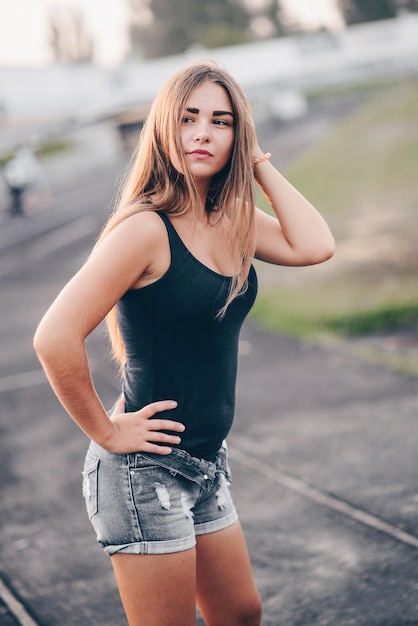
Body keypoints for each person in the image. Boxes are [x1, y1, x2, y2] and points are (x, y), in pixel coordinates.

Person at [33, 60, 335, 626]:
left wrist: (260, 166)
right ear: (164, 129)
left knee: (240, 614)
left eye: (221, 122)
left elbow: (315, 246)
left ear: (237, 137)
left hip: (204, 463)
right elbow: (54, 337)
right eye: (188, 117)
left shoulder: (233, 219)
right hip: (145, 474)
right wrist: (105, 429)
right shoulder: (145, 228)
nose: (202, 133)